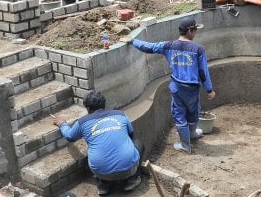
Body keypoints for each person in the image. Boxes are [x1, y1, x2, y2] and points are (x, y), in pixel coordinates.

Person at [125, 17, 216, 153]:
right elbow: (203, 71)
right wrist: (209, 89)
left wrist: (133, 41)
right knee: (193, 111)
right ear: (190, 31)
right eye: (195, 29)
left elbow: (149, 47)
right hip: (192, 89)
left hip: (177, 87)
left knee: (179, 114)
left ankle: (186, 143)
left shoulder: (168, 46)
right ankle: (191, 136)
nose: (196, 32)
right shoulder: (198, 49)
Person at [53, 91, 143, 195]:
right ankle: (132, 179)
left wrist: (62, 124)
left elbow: (69, 136)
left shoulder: (82, 122)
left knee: (94, 149)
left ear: (87, 108)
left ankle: (103, 184)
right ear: (104, 105)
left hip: (101, 172)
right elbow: (131, 134)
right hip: (128, 169)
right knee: (138, 144)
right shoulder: (120, 114)